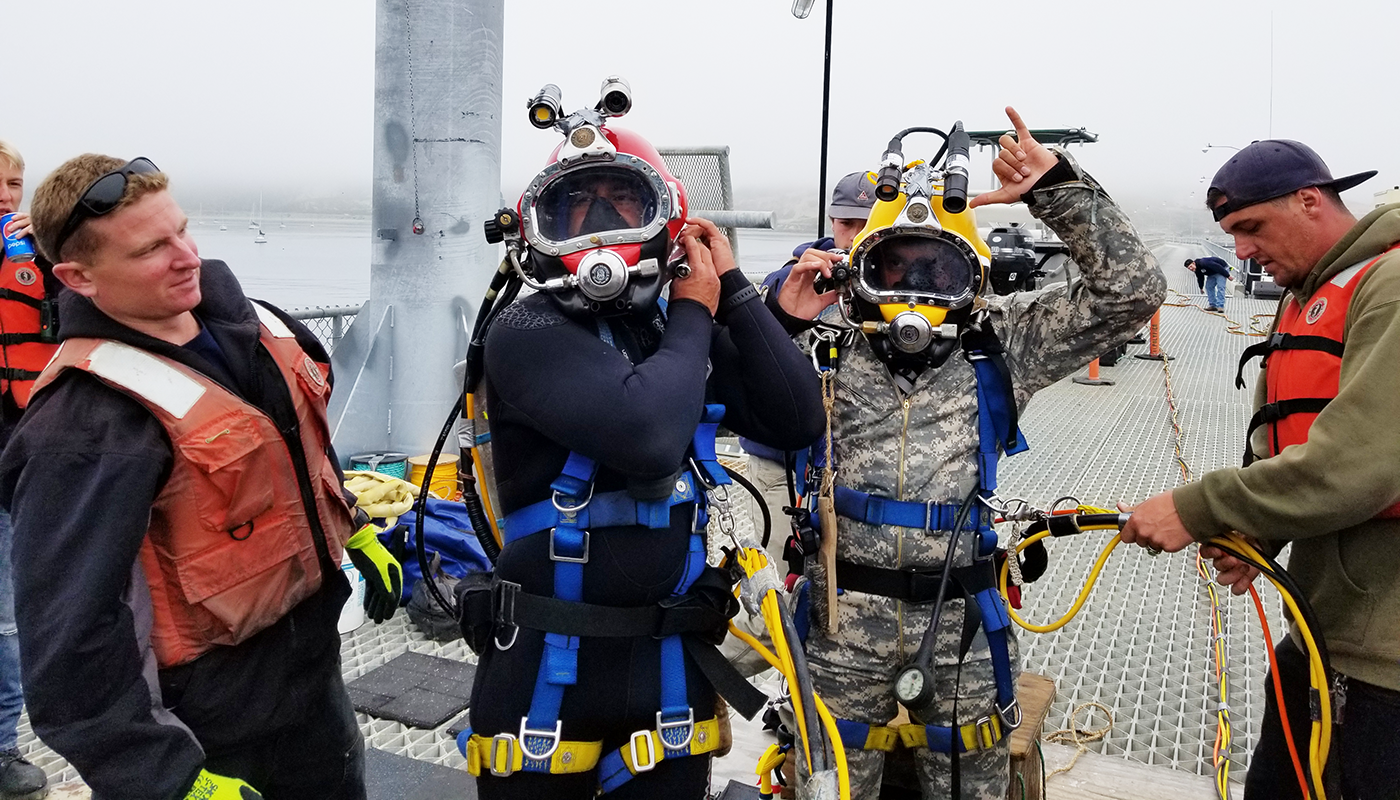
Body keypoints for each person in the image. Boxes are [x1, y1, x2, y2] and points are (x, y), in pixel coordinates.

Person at [770, 107, 1165, 798]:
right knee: (827, 783)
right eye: (895, 265)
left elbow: (1133, 293)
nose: (914, 286)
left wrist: (1058, 190)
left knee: (970, 782)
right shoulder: (821, 337)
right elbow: (709, 379)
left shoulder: (1003, 341)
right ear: (863, 267)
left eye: (936, 266)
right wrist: (776, 317)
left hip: (963, 625)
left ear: (971, 274)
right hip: (838, 621)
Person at [0, 154, 403, 800]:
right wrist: (169, 779)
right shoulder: (84, 425)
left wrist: (354, 529)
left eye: (182, 230)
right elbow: (69, 641)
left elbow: (296, 449)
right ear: (78, 277)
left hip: (314, 691)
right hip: (206, 731)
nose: (187, 257)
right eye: (150, 249)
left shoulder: (263, 328)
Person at [457, 102, 823, 799]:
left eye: (624, 199)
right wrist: (694, 310)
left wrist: (734, 291)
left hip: (668, 672)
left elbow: (795, 417)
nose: (599, 219)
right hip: (542, 677)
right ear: (539, 227)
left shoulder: (666, 327)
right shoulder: (526, 329)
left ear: (667, 218)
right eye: (575, 204)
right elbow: (649, 436)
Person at [1120, 139, 1400, 799]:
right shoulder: (1306, 294)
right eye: (1231, 235)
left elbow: (1361, 463)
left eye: (1251, 227)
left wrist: (1197, 507)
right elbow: (1281, 440)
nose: (1242, 252)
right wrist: (1259, 534)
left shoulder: (1389, 286)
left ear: (1310, 200)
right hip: (1322, 636)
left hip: (1382, 668)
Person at [724, 171, 878, 674]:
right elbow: (747, 357)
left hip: (853, 479)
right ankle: (716, 682)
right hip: (779, 470)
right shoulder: (790, 280)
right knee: (767, 600)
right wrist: (788, 312)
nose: (856, 235)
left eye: (870, 223)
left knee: (844, 596)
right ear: (832, 221)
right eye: (847, 223)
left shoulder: (898, 287)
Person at [0, 141, 49, 800]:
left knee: (7, 615)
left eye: (14, 183)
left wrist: (50, 258)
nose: (7, 196)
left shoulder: (41, 259)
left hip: (18, 459)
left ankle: (3, 745)